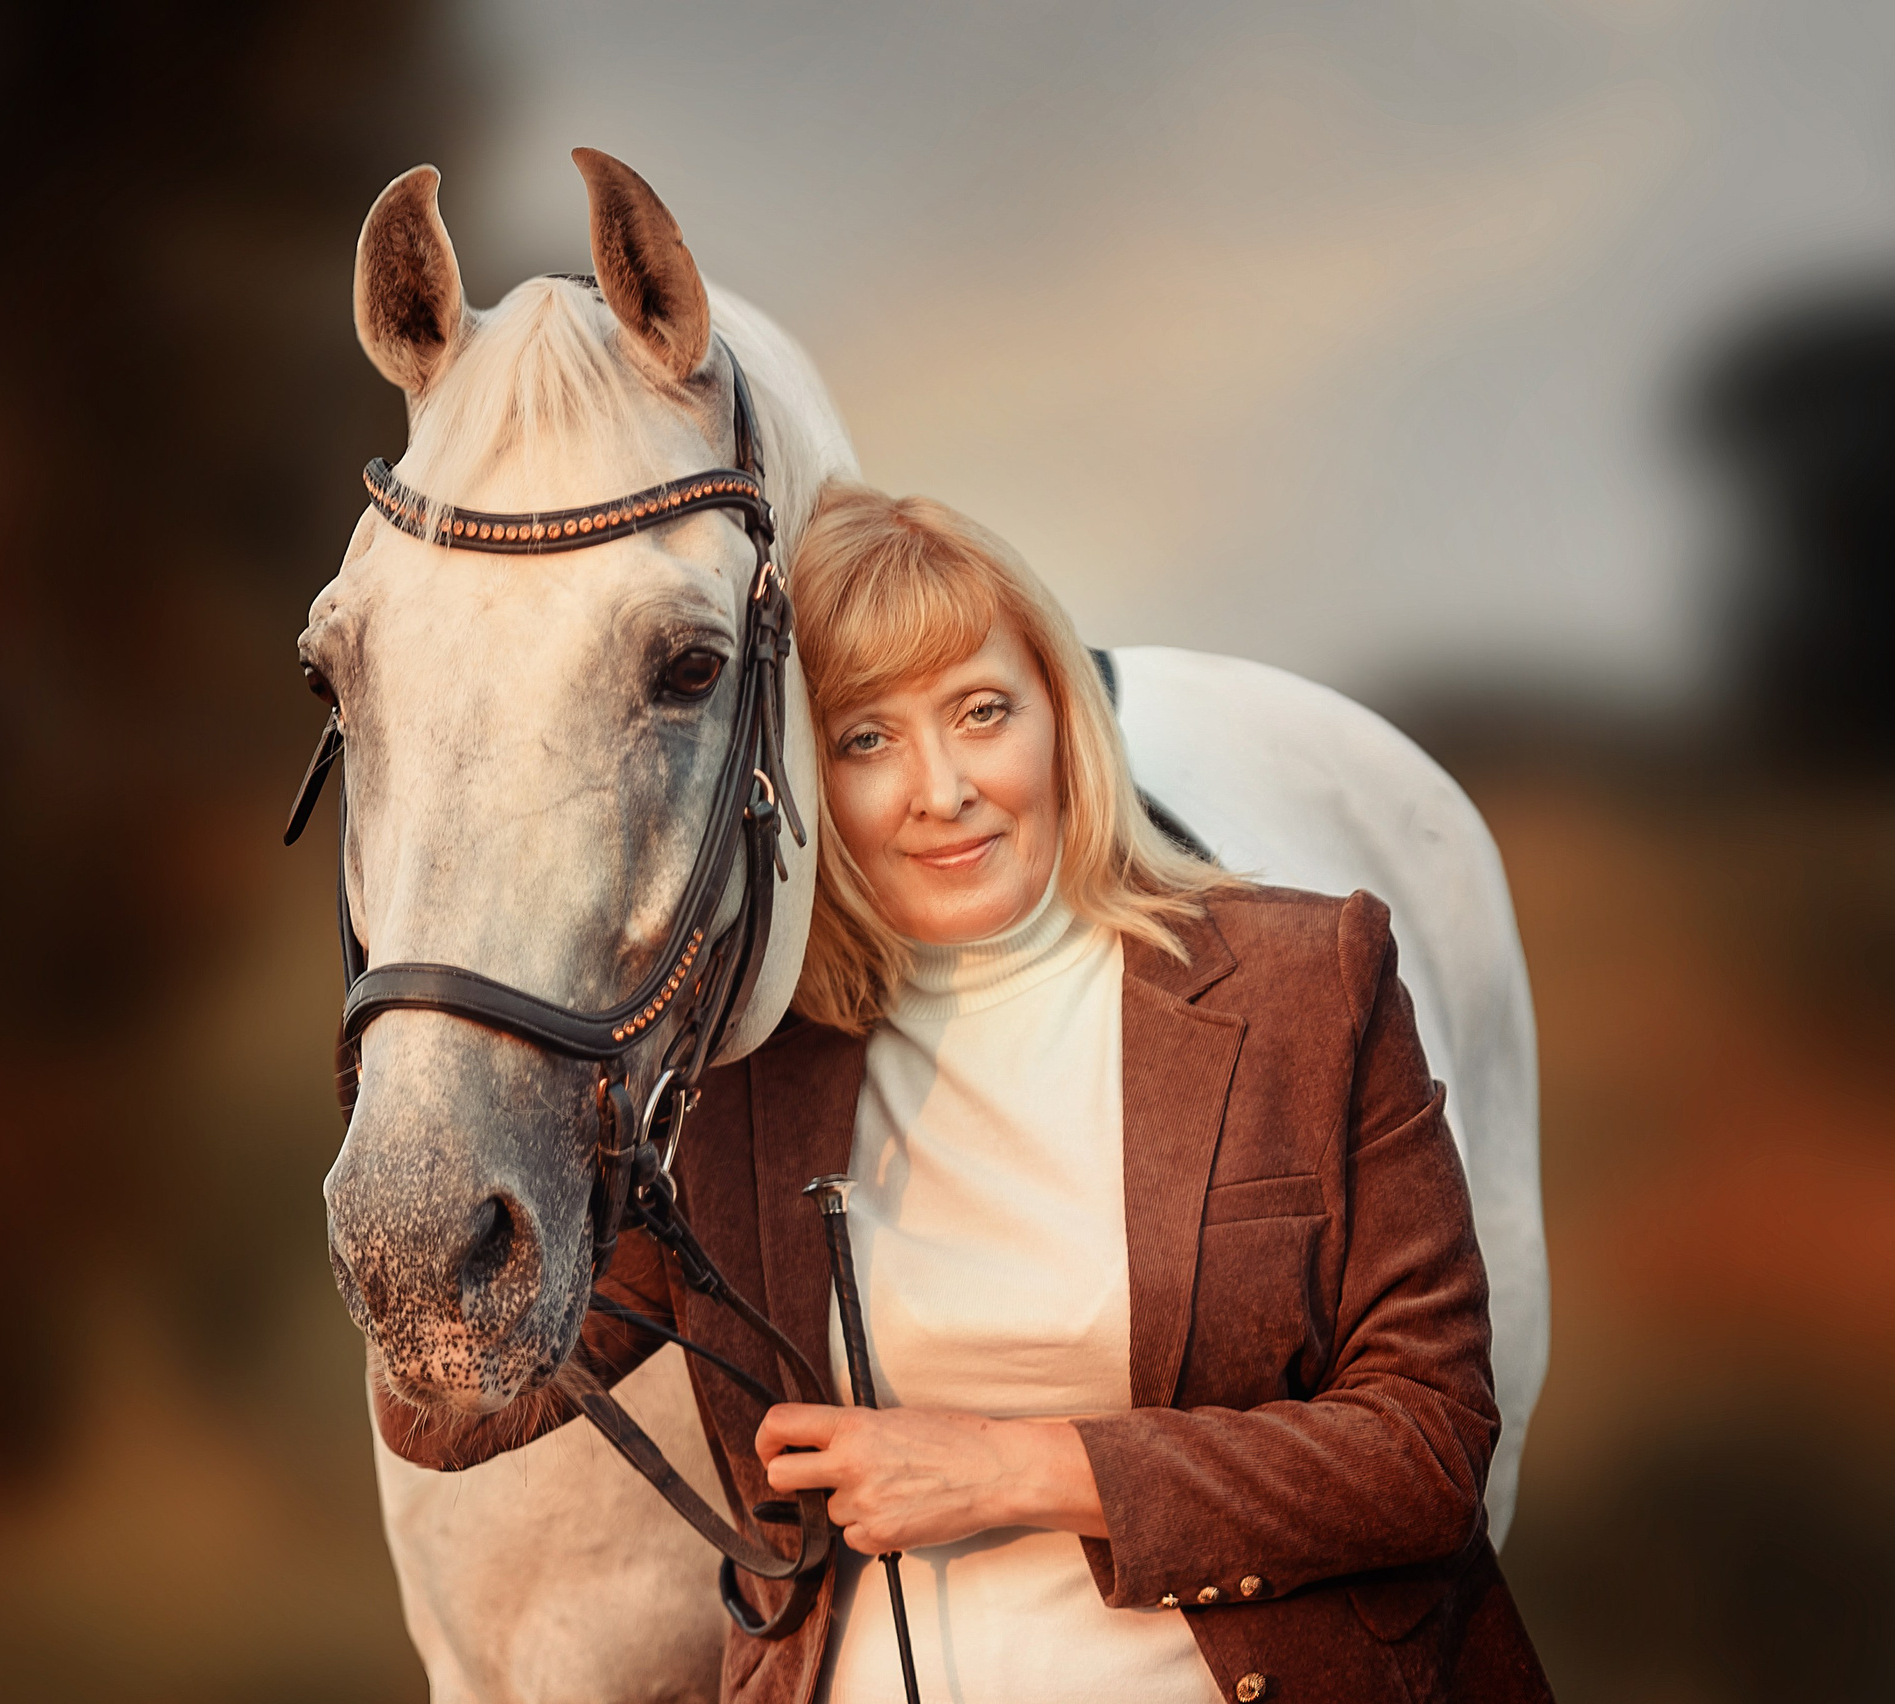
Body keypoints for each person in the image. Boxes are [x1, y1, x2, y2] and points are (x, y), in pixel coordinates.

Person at [378, 483, 1553, 1704]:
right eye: (865, 739)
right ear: (794, 782)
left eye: (980, 712)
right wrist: (441, 1022)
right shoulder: (739, 1082)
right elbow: (445, 1415)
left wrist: (1007, 1471)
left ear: (1059, 714)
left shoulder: (1308, 986)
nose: (941, 790)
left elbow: (1425, 1448)